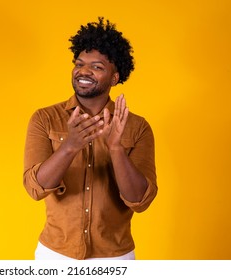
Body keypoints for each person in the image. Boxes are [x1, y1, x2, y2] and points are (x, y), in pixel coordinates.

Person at [23, 17, 158, 260]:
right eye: (79, 64)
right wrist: (70, 146)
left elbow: (140, 200)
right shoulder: (45, 119)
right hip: (56, 256)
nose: (84, 71)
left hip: (116, 258)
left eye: (97, 67)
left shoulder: (137, 127)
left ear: (115, 77)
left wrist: (115, 148)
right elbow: (35, 189)